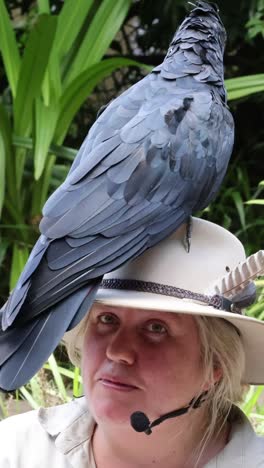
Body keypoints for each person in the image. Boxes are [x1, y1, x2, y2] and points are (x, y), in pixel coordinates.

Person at [0, 217, 263, 467]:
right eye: (106, 319)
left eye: (156, 328)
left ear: (214, 364)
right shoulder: (14, 453)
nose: (117, 351)